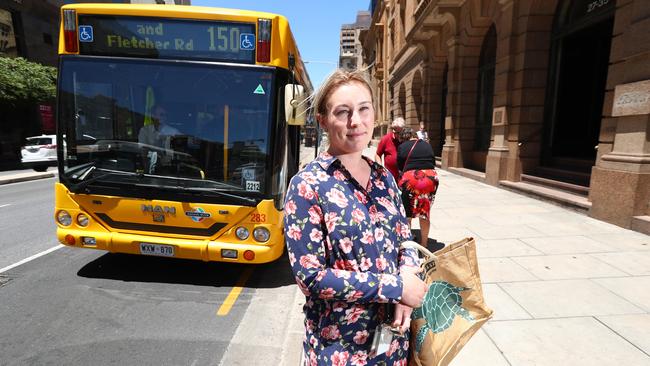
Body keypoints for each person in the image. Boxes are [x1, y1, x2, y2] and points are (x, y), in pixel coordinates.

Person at [284, 69, 428, 365]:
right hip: (341, 350)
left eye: (364, 109)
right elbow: (311, 277)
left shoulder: (384, 178)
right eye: (343, 112)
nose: (356, 121)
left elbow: (405, 240)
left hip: (392, 345)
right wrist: (396, 288)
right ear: (323, 120)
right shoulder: (307, 185)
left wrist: (409, 279)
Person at [397, 127, 439, 249]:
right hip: (430, 178)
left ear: (404, 138)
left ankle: (408, 244)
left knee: (407, 212)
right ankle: (424, 244)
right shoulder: (427, 145)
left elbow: (400, 166)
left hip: (411, 179)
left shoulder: (403, 147)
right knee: (424, 212)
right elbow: (432, 162)